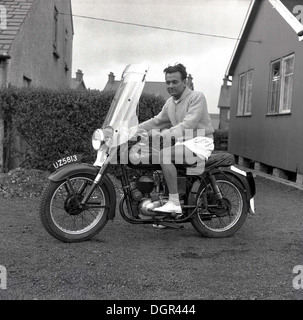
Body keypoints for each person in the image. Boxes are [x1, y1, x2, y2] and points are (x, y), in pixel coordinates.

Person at [137, 63, 214, 218]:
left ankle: (174, 203)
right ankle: (165, 205)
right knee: (156, 160)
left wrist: (164, 135)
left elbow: (188, 125)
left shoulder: (196, 97)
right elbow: (156, 121)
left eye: (174, 82)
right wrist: (132, 130)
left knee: (165, 155)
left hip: (199, 142)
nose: (170, 86)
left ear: (184, 81)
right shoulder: (170, 103)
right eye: (168, 82)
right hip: (183, 144)